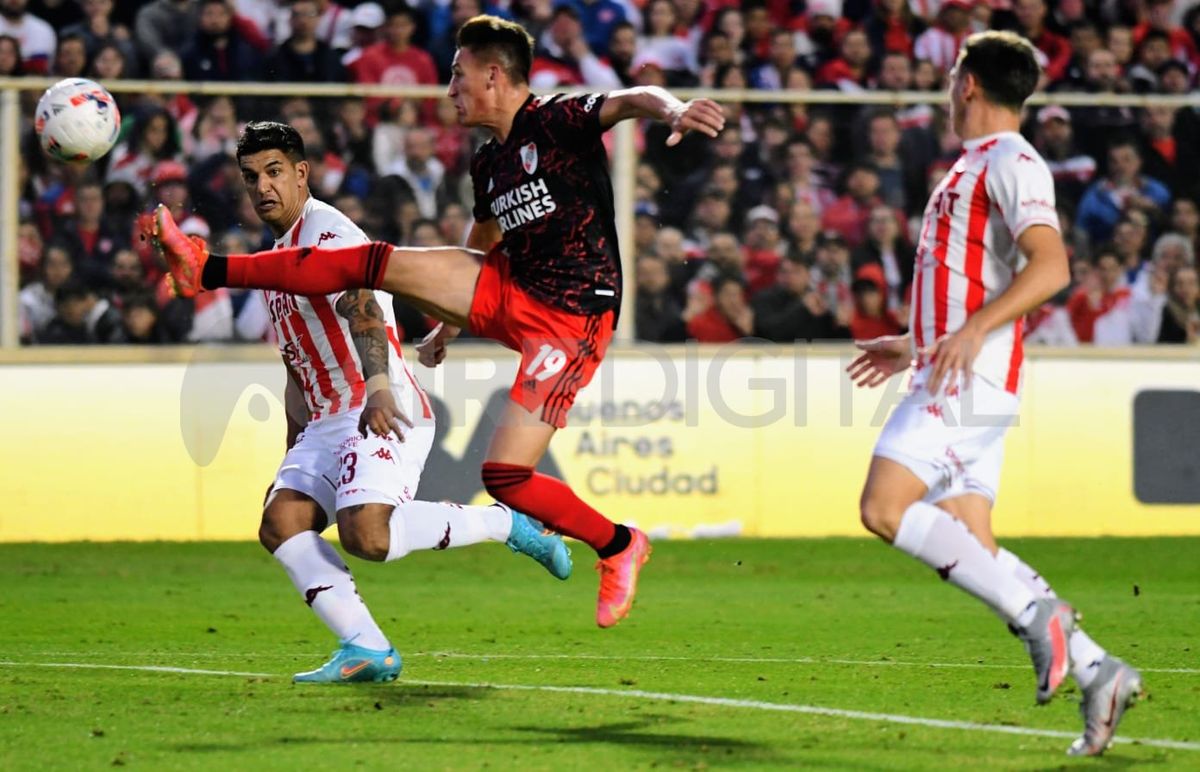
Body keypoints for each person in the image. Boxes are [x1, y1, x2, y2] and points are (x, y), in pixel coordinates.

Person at [153, 14, 724, 629]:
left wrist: (673, 108)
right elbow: (484, 235)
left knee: (505, 476)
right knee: (372, 262)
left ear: (493, 75)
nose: (448, 89)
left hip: (572, 314)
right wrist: (455, 315)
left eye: (457, 76)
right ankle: (206, 269)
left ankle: (618, 545)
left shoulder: (556, 120)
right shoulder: (490, 161)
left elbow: (630, 97)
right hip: (510, 287)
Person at [846, 32, 1141, 758]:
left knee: (884, 507)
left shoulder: (1012, 159)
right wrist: (913, 340)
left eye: (952, 77)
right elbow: (978, 283)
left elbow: (1051, 266)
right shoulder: (975, 165)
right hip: (952, 371)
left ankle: (1040, 619)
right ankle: (1101, 672)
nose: (948, 90)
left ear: (969, 83)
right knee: (973, 544)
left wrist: (972, 330)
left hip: (969, 383)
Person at [211, 121, 573, 684]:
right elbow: (295, 362)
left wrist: (379, 388)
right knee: (281, 523)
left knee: (368, 536)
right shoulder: (277, 258)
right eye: (252, 177)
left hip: (378, 401)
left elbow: (364, 308)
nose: (263, 187)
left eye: (275, 172)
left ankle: (508, 525)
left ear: (302, 173)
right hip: (326, 418)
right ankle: (366, 648)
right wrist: (293, 443)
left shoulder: (328, 233)